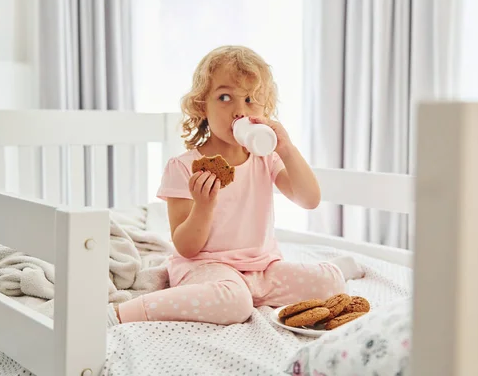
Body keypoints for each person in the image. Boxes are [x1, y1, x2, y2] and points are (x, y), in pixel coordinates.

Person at [108, 46, 362, 327]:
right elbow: (186, 247)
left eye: (251, 99)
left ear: (265, 110)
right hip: (205, 268)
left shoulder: (266, 158)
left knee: (330, 283)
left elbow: (309, 199)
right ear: (203, 106)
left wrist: (287, 149)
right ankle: (121, 312)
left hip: (263, 269)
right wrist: (204, 207)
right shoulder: (183, 167)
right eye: (225, 97)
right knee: (234, 301)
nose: (239, 111)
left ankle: (335, 269)